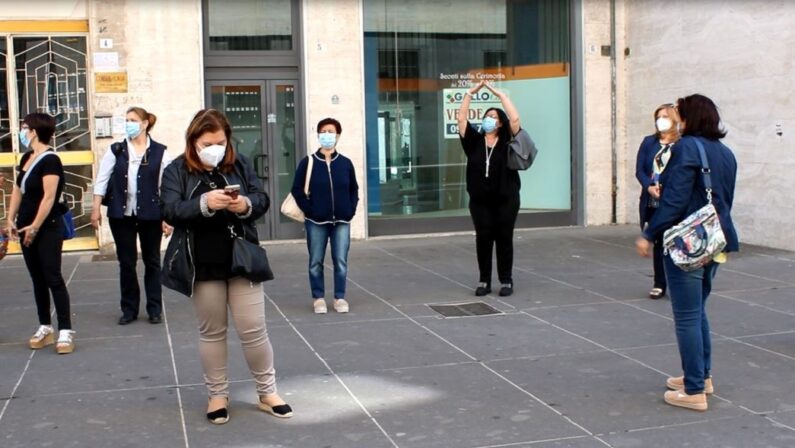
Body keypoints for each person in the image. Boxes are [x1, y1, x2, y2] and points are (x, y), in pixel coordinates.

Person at [160, 109, 291, 424]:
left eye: (220, 141)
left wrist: (244, 204)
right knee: (212, 332)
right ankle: (217, 395)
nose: (215, 147)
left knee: (253, 328)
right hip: (202, 261)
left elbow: (262, 198)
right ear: (193, 141)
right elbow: (169, 209)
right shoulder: (176, 169)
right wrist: (205, 204)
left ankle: (267, 392)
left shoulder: (239, 163)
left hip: (241, 258)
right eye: (207, 142)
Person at [636, 94, 738, 412]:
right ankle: (700, 376)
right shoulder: (726, 152)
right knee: (698, 309)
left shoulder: (686, 148)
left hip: (686, 242)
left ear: (690, 117)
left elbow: (676, 199)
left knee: (688, 315)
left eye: (678, 114)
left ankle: (694, 391)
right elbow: (725, 201)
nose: (674, 119)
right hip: (715, 240)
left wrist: (650, 233)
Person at [91, 107, 172, 325]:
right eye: (127, 120)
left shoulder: (160, 152)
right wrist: (96, 208)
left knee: (152, 261)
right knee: (126, 263)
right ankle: (129, 309)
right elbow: (102, 178)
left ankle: (154, 308)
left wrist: (168, 217)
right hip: (121, 214)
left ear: (145, 123)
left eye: (133, 120)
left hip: (151, 214)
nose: (129, 124)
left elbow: (167, 187)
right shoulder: (116, 150)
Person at [4, 113, 75, 354]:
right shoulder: (26, 157)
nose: (22, 131)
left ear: (34, 131)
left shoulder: (50, 160)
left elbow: (48, 197)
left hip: (47, 227)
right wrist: (10, 218)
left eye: (24, 127)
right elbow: (17, 190)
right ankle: (45, 326)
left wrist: (34, 226)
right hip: (24, 226)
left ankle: (65, 329)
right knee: (37, 279)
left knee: (52, 276)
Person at [457, 80, 523, 297]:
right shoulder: (474, 141)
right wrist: (469, 93)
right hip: (480, 202)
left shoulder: (508, 142)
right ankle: (484, 280)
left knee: (504, 238)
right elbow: (461, 119)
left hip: (506, 200)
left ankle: (506, 280)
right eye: (487, 116)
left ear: (500, 123)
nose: (489, 119)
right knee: (483, 239)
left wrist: (500, 95)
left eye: (494, 117)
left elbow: (515, 119)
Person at [290, 117, 359, 314]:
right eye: (324, 131)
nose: (327, 135)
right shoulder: (309, 162)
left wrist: (350, 209)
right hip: (316, 221)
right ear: (319, 135)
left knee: (340, 261)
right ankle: (318, 298)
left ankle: (339, 298)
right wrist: (309, 209)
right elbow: (296, 189)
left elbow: (353, 189)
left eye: (331, 131)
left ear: (337, 136)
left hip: (342, 221)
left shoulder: (345, 163)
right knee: (315, 261)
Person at [635, 104, 681, 299]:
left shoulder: (682, 144)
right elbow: (640, 170)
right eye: (658, 116)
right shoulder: (649, 142)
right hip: (652, 200)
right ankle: (659, 283)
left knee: (675, 241)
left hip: (673, 199)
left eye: (665, 116)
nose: (660, 120)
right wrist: (649, 187)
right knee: (659, 241)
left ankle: (679, 281)